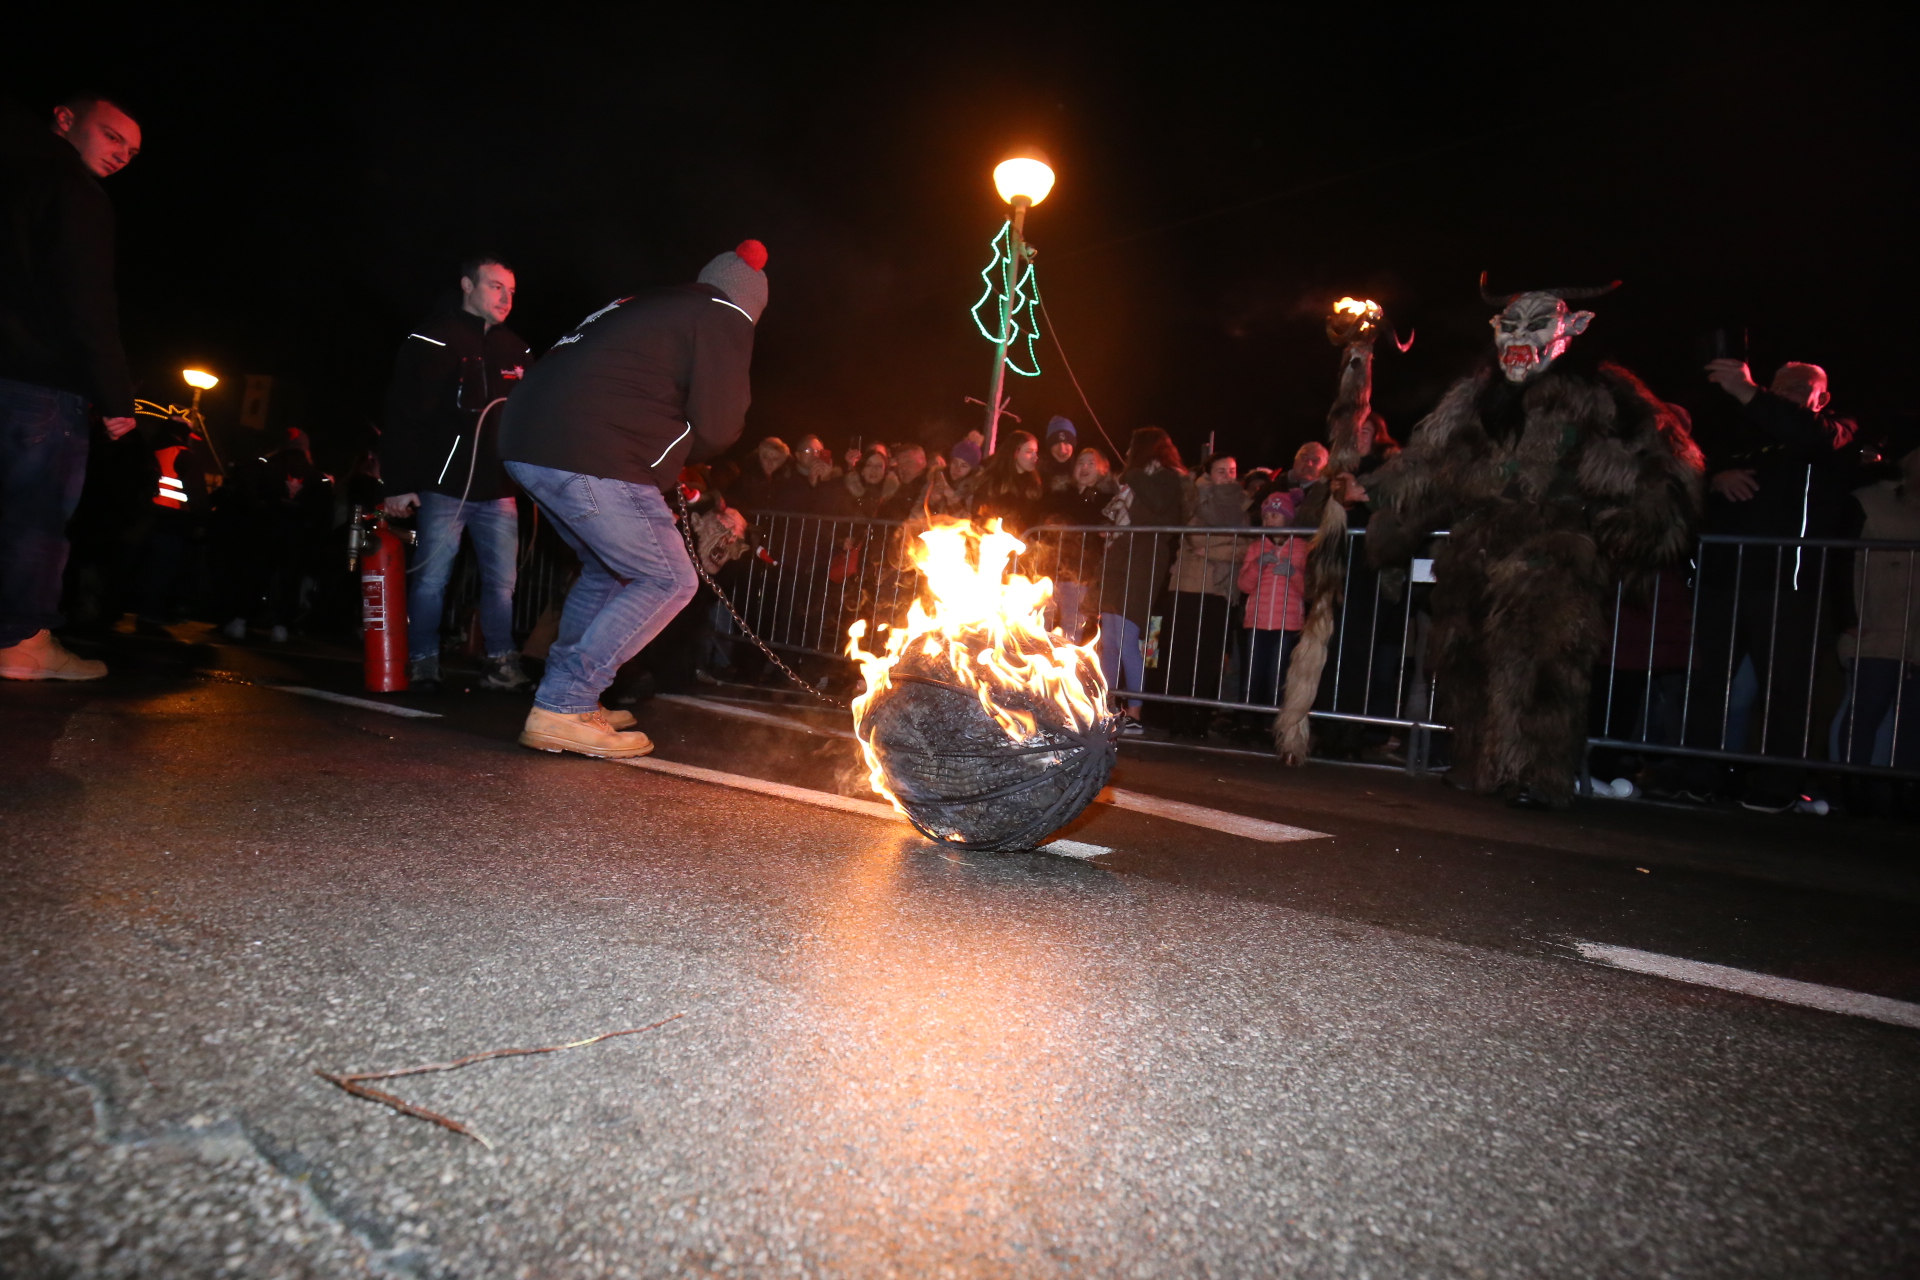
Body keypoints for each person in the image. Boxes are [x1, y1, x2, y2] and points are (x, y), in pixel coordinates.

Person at [1363, 276, 1702, 808]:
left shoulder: (1604, 397)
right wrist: (1381, 501)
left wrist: (1605, 484)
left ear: (1574, 329)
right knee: (1466, 659)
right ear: (1495, 330)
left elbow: (1662, 474)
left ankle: (1534, 772)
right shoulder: (1475, 399)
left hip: (1552, 551)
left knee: (1544, 666)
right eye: (1511, 324)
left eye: (1538, 322)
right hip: (1477, 550)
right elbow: (1429, 466)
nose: (1520, 336)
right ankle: (1478, 763)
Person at [497, 239, 764, 758]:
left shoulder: (649, 304)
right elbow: (721, 422)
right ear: (748, 300)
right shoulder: (724, 312)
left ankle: (573, 698)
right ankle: (563, 702)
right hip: (590, 450)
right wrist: (684, 454)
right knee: (668, 578)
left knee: (606, 568)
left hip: (525, 440)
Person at [0, 93, 143, 680]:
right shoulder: (73, 191)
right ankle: (23, 645)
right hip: (39, 383)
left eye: (131, 151)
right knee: (35, 517)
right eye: (112, 138)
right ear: (64, 119)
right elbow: (86, 301)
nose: (121, 156)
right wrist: (114, 395)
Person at [1686, 358, 1863, 809]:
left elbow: (1812, 436)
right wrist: (1715, 478)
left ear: (1820, 398)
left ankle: (1778, 786)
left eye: (1799, 386)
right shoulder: (1743, 432)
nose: (1784, 391)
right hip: (1723, 580)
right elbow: (1692, 471)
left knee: (1785, 691)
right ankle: (1698, 776)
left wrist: (1749, 392)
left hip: (1789, 586)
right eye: (1777, 384)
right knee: (1707, 682)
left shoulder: (1835, 430)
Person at [378, 255, 533, 692]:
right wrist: (399, 484)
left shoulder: (517, 349)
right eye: (495, 287)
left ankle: (500, 662)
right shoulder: (432, 339)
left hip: (499, 488)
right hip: (444, 486)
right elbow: (403, 414)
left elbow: (531, 420)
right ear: (468, 285)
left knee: (503, 583)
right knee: (432, 577)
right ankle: (423, 659)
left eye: (511, 290)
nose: (505, 298)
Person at [1837, 422, 1920, 779]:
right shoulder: (1868, 499)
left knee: (1909, 721)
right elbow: (1840, 563)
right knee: (1867, 711)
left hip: (1911, 629)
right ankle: (1850, 787)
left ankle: (1893, 797)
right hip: (1876, 625)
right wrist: (1847, 617)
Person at [1150, 453, 1248, 735]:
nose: (1227, 476)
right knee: (1183, 655)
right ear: (1209, 473)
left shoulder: (1242, 505)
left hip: (1221, 590)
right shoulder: (1195, 497)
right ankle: (1178, 717)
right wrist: (1228, 545)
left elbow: (1246, 546)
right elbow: (1195, 537)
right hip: (1189, 586)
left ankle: (1200, 718)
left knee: (1210, 657)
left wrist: (1214, 551)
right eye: (1220, 471)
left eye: (1232, 470)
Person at [1101, 427, 1190, 733]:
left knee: (1128, 637)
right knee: (1109, 638)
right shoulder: (1138, 478)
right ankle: (1108, 706)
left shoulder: (1166, 476)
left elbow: (1157, 505)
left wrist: (1134, 474)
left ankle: (1135, 713)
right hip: (1121, 555)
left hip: (1144, 556)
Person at [1238, 489, 1309, 707]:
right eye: (1266, 516)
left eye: (1275, 515)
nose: (1269, 520)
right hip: (1257, 622)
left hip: (1287, 625)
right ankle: (1248, 721)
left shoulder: (1302, 547)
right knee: (1252, 674)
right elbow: (1244, 585)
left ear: (1287, 517)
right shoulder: (1257, 546)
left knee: (1277, 676)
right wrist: (1257, 565)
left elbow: (1310, 588)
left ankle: (1272, 723)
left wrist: (1293, 573)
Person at [972, 429, 1045, 531]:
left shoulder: (1035, 483)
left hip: (1024, 543)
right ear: (1014, 453)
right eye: (1029, 452)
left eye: (1036, 452)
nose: (1035, 457)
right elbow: (979, 515)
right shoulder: (992, 481)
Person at [725, 436, 792, 514]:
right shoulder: (744, 480)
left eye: (775, 459)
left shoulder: (789, 481)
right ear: (759, 457)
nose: (770, 463)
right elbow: (731, 504)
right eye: (765, 457)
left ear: (782, 461)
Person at [926, 440, 981, 517]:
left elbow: (968, 523)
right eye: (954, 462)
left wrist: (953, 499)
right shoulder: (937, 477)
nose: (957, 469)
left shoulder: (975, 490)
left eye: (964, 466)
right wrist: (931, 501)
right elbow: (917, 513)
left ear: (972, 469)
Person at [1040, 415, 1078, 488]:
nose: (1062, 449)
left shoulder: (1083, 471)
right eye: (1056, 442)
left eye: (1066, 442)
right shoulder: (1036, 472)